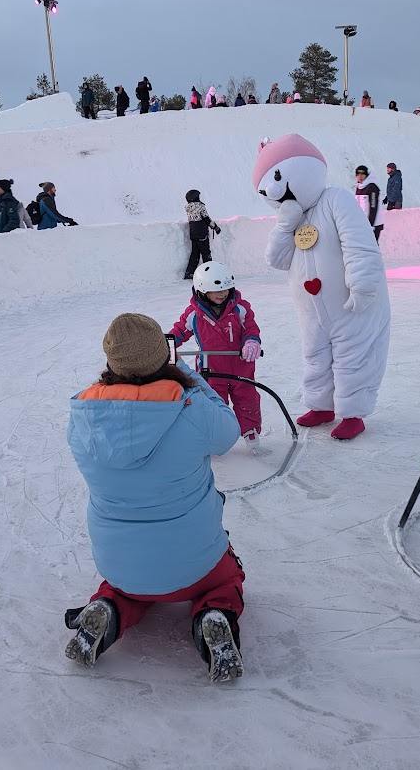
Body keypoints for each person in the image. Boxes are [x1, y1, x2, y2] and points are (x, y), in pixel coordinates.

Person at [65, 313, 244, 681]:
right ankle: (214, 610)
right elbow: (229, 432)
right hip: (196, 565)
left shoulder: (83, 416)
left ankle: (109, 608)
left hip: (119, 564)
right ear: (164, 354)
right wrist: (189, 376)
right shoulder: (190, 408)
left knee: (125, 587)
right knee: (227, 579)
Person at [254, 134, 390, 441]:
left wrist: (363, 284)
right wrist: (285, 225)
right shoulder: (294, 219)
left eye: (278, 177)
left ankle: (353, 414)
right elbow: (277, 260)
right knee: (315, 356)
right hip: (312, 310)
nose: (273, 190)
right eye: (265, 188)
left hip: (348, 302)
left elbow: (358, 243)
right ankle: (321, 406)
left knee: (353, 357)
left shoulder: (336, 200)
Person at [171, 262, 262, 445]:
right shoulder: (194, 314)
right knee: (212, 403)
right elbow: (179, 331)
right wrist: (165, 345)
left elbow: (250, 328)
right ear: (202, 291)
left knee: (247, 399)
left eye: (226, 289)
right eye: (216, 290)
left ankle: (250, 431)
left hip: (240, 365)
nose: (222, 294)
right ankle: (215, 435)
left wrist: (252, 341)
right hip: (210, 369)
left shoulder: (240, 308)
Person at [183, 189, 221, 279]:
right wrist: (215, 227)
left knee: (195, 253)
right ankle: (209, 272)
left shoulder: (188, 207)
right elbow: (206, 218)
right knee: (206, 253)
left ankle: (189, 272)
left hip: (193, 233)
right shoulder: (200, 206)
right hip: (202, 233)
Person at [355, 165, 385, 243]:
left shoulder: (372, 187)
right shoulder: (359, 187)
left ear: (366, 175)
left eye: (362, 174)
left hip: (374, 224)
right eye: (358, 174)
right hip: (363, 223)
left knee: (371, 245)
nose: (360, 176)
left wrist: (370, 224)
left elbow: (373, 207)